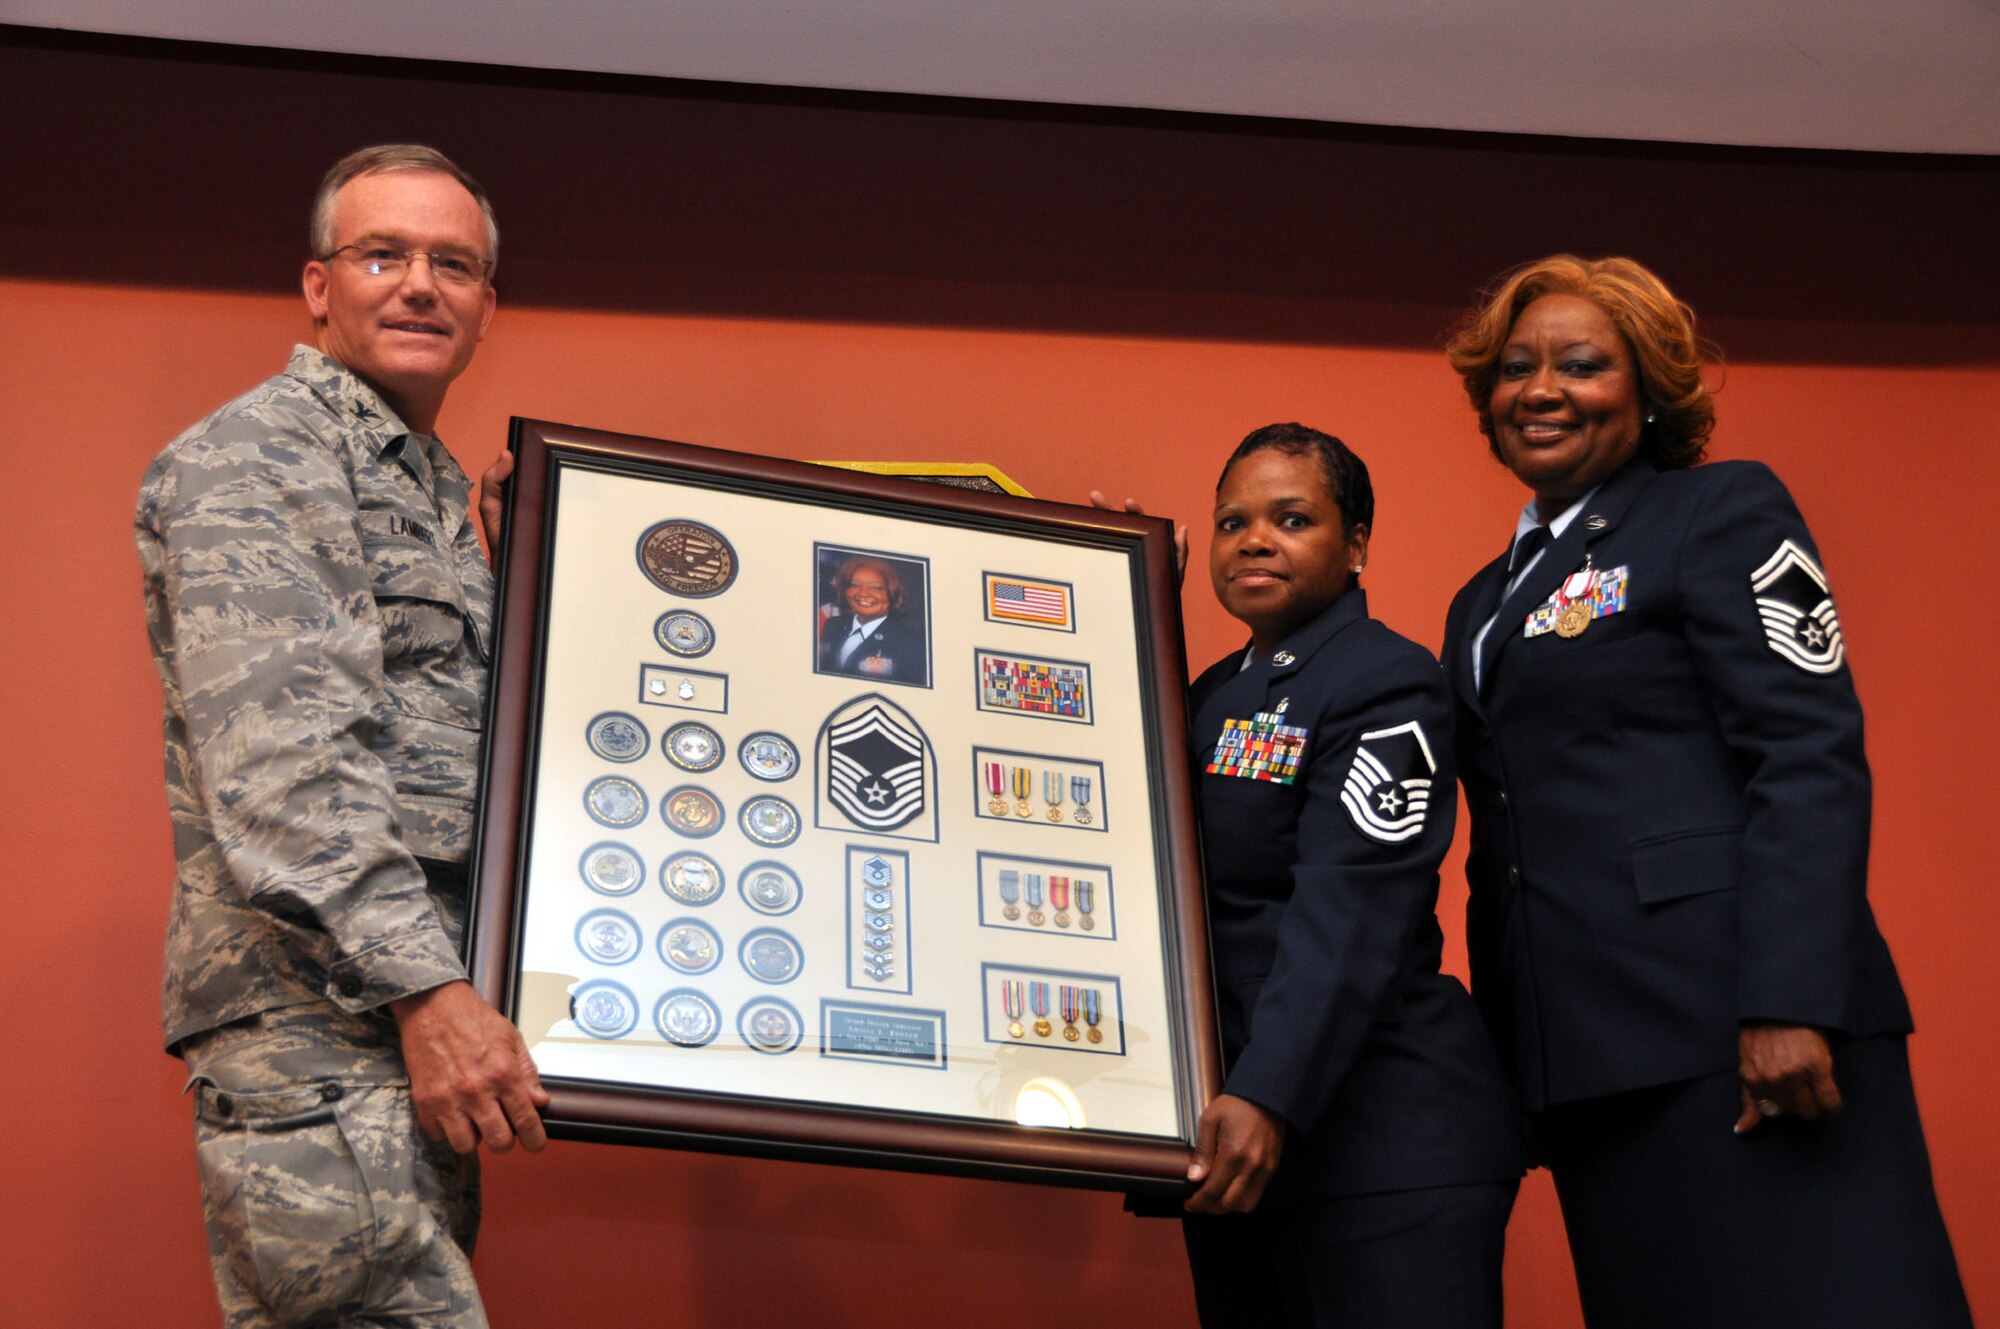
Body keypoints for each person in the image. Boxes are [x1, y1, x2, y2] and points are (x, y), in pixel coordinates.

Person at [1440, 255, 1971, 1328]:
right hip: (1590, 1068)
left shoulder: (1719, 510)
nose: (1538, 389)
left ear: (1647, 390)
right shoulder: (1480, 603)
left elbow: (1805, 750)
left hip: (1736, 1038)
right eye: (1513, 369)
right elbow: (1501, 838)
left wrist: (1786, 1001)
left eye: (1580, 365)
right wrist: (1518, 1067)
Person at [136, 144, 549, 1328]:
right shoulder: (261, 456)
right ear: (321, 288)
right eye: (385, 255)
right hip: (326, 1026)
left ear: (483, 309)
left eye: (453, 264)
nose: (421, 284)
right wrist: (430, 995)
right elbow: (286, 764)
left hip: (399, 1028)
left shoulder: (430, 486)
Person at [1110, 424, 1521, 1328]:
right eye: (1232, 522)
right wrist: (1116, 599)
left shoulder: (1386, 681)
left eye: (1291, 518)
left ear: (1358, 543)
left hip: (1381, 1144)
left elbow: (1351, 912)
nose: (1254, 538)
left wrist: (1266, 1091)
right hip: (1242, 1146)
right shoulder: (1212, 692)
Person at [816, 555, 920, 680]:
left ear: (892, 594)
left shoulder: (910, 642)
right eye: (854, 585)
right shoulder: (833, 625)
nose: (863, 593)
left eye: (875, 588)